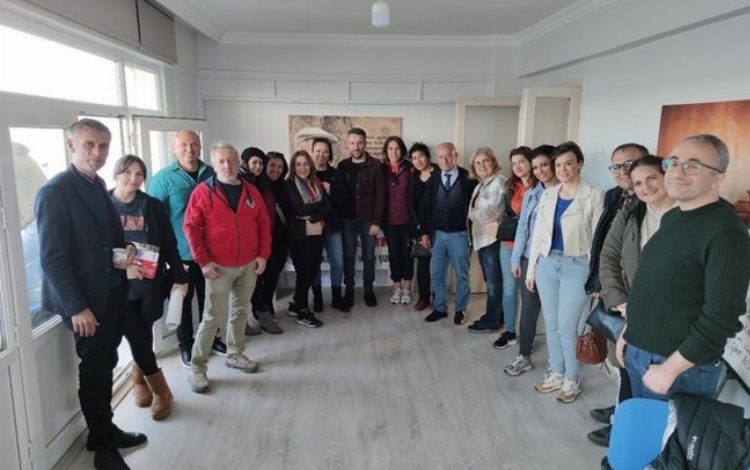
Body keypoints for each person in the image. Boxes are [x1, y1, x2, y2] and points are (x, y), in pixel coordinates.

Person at [35, 119, 146, 470]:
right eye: (89, 145)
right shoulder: (55, 191)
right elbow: (53, 258)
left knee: (107, 363)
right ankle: (102, 447)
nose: (97, 153)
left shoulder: (97, 184)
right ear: (71, 146)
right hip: (85, 303)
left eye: (103, 146)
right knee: (95, 371)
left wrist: (124, 252)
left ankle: (105, 429)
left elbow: (103, 240)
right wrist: (77, 307)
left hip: (111, 293)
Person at [616, 134, 750, 400]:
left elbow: (721, 317)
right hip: (640, 351)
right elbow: (656, 285)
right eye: (674, 162)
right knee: (640, 425)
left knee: (665, 430)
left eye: (693, 165)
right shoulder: (674, 218)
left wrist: (670, 369)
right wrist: (630, 332)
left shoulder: (726, 233)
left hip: (678, 367)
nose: (678, 172)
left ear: (717, 177)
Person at [588, 156, 677, 448]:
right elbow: (609, 258)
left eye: (652, 178)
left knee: (665, 401)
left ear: (667, 175)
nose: (645, 187)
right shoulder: (631, 212)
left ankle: (655, 453)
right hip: (631, 317)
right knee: (630, 379)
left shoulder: (688, 216)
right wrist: (622, 304)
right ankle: (628, 442)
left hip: (672, 324)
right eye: (638, 183)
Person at [183, 143, 271, 393]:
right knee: (212, 317)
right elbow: (191, 227)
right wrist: (203, 261)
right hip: (218, 267)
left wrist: (263, 255)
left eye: (231, 160)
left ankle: (235, 353)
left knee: (241, 311)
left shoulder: (251, 191)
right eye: (221, 161)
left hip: (248, 264)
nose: (227, 165)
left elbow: (264, 224)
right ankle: (197, 367)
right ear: (214, 164)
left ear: (238, 162)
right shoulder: (203, 192)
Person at [110, 155, 188, 420]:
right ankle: (161, 390)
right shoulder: (103, 205)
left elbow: (168, 243)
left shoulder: (151, 206)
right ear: (116, 174)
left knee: (142, 335)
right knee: (136, 335)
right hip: (116, 285)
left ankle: (138, 377)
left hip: (148, 284)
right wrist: (124, 267)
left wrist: (179, 277)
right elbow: (95, 248)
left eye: (139, 174)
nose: (133, 179)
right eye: (127, 173)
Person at [526, 141, 604, 403]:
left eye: (568, 163)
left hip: (577, 266)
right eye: (558, 165)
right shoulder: (549, 194)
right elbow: (538, 233)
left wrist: (597, 278)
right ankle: (556, 372)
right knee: (551, 322)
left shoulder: (594, 195)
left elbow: (598, 240)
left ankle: (572, 377)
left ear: (579, 164)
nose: (562, 169)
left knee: (567, 326)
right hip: (547, 264)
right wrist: (531, 269)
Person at [584, 143, 647, 444]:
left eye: (629, 164)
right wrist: (603, 287)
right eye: (616, 166)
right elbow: (606, 250)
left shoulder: (650, 205)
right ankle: (621, 409)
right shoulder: (618, 198)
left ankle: (624, 424)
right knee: (620, 361)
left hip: (639, 302)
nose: (622, 171)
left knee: (633, 364)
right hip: (615, 294)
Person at [148, 130, 223, 367]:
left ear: (200, 147)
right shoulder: (163, 179)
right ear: (174, 148)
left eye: (194, 144)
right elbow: (154, 218)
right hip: (180, 253)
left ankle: (211, 339)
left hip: (210, 252)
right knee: (183, 302)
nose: (189, 149)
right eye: (183, 145)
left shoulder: (211, 173)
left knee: (210, 299)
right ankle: (186, 345)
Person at [504, 145, 558, 376]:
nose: (540, 171)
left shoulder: (568, 193)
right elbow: (522, 228)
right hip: (529, 259)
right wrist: (516, 259)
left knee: (555, 314)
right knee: (528, 309)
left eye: (544, 165)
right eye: (536, 167)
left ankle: (557, 364)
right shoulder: (532, 194)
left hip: (555, 261)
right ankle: (524, 356)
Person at [420, 142, 477, 324]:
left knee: (462, 275)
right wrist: (424, 233)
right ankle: (439, 308)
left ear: (455, 156)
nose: (444, 160)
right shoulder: (433, 178)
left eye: (448, 156)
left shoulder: (468, 178)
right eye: (440, 157)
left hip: (460, 235)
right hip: (437, 235)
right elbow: (425, 208)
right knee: (437, 274)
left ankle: (460, 309)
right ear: (436, 159)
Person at [279, 150, 331, 328]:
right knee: (304, 272)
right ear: (293, 167)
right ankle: (302, 311)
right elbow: (299, 209)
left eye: (306, 164)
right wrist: (318, 208)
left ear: (311, 165)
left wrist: (313, 215)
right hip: (299, 235)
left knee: (312, 270)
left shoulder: (316, 183)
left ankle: (296, 303)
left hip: (316, 232)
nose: (303, 168)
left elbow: (328, 207)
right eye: (298, 164)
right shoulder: (288, 185)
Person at [494, 146, 537, 349]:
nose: (518, 166)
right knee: (509, 291)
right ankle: (510, 331)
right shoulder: (511, 186)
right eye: (514, 163)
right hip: (509, 245)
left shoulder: (540, 187)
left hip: (531, 249)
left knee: (529, 295)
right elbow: (505, 212)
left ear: (530, 162)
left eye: (521, 161)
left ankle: (528, 336)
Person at [338, 127, 386, 308]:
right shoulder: (342, 166)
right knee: (349, 256)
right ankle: (349, 291)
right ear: (348, 144)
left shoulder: (376, 166)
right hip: (347, 220)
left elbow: (381, 197)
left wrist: (377, 222)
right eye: (352, 143)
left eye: (359, 143)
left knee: (369, 257)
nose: (356, 146)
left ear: (365, 143)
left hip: (368, 221)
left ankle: (368, 291)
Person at [466, 148, 506, 334]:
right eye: (477, 163)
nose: (481, 165)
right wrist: (474, 214)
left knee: (493, 283)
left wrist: (473, 214)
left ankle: (491, 321)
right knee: (490, 280)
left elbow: (493, 212)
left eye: (485, 161)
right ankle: (497, 316)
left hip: (492, 240)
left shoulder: (499, 182)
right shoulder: (480, 185)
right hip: (482, 240)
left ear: (493, 162)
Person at [241, 146, 280, 335]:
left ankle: (259, 314)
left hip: (264, 237)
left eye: (260, 163)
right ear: (245, 163)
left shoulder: (262, 183)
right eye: (254, 162)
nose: (257, 166)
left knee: (261, 280)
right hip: (248, 241)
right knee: (247, 284)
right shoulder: (241, 183)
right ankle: (244, 322)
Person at [251, 152, 290, 327]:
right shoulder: (258, 186)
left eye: (280, 166)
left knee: (274, 274)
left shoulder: (284, 186)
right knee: (262, 276)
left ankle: (267, 305)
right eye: (272, 165)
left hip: (281, 238)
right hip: (264, 238)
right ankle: (259, 308)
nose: (276, 169)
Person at [310, 138, 348, 312]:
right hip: (313, 228)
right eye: (318, 151)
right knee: (314, 263)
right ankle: (317, 298)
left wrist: (331, 190)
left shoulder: (336, 174)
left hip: (333, 227)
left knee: (338, 262)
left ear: (330, 154)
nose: (321, 155)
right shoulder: (305, 173)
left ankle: (337, 298)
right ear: (312, 152)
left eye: (325, 151)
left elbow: (344, 200)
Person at [382, 136, 414, 305]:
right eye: (390, 148)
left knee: (407, 255)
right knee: (394, 255)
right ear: (386, 151)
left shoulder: (410, 168)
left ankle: (407, 289)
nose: (394, 152)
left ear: (402, 151)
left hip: (407, 220)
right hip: (389, 221)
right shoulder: (381, 169)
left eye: (397, 148)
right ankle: (397, 288)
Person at [408, 143, 436, 311]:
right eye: (414, 158)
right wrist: (420, 227)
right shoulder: (414, 176)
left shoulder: (439, 173)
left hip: (438, 226)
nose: (418, 161)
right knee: (423, 263)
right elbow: (411, 203)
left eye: (421, 156)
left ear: (428, 156)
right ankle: (424, 297)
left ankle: (438, 297)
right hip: (420, 227)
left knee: (438, 264)